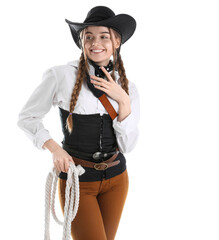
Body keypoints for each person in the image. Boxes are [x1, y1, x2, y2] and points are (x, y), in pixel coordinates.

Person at [17, 6, 140, 240]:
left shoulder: (128, 87)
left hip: (117, 179)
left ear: (116, 42)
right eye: (89, 37)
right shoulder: (61, 75)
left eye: (104, 36)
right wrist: (54, 148)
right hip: (78, 179)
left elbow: (128, 146)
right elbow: (27, 117)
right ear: (81, 42)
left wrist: (123, 101)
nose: (96, 42)